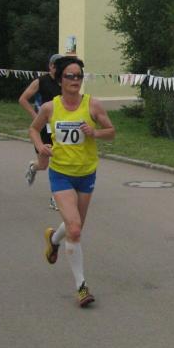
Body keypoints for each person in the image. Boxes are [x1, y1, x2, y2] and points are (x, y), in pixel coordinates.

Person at [29, 56, 115, 307]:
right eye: (70, 75)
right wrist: (40, 146)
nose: (75, 80)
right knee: (75, 229)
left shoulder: (92, 105)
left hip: (86, 173)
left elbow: (111, 132)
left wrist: (95, 132)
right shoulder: (50, 107)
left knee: (74, 226)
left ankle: (53, 239)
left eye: (79, 76)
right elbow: (33, 129)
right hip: (61, 173)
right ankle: (81, 287)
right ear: (60, 79)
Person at [18, 53, 62, 210]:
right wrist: (36, 116)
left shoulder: (66, 81)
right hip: (44, 128)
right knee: (43, 165)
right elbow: (23, 99)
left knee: (59, 161)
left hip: (61, 127)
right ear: (50, 66)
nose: (58, 69)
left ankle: (56, 197)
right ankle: (33, 167)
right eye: (55, 65)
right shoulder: (41, 81)